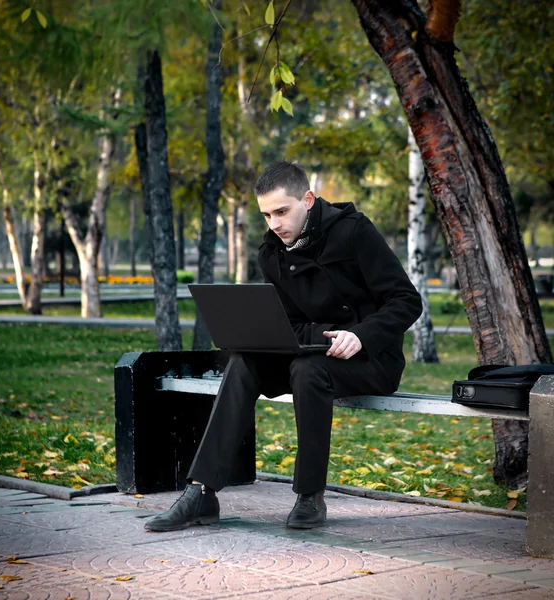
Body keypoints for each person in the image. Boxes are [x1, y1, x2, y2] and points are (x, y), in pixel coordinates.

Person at [144, 160, 422, 532]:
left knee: (308, 370)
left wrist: (360, 335)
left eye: (281, 211)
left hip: (371, 358)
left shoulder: (354, 231)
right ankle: (202, 492)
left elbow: (406, 300)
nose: (275, 223)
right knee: (243, 361)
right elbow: (287, 321)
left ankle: (310, 495)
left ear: (307, 199)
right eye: (266, 215)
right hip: (308, 350)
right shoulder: (271, 252)